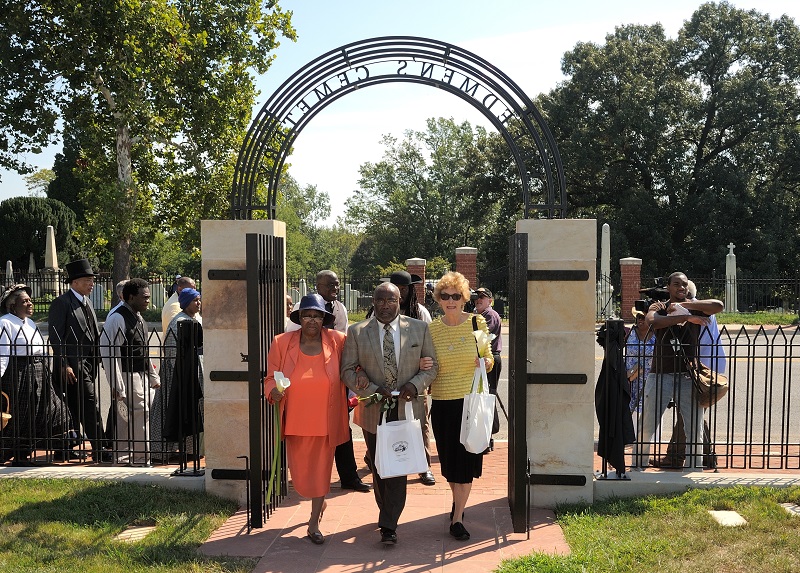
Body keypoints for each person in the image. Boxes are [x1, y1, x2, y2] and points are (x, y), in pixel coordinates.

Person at [341, 281, 438, 544]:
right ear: (373, 302)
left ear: (400, 301)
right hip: (374, 408)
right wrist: (371, 388)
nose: (385, 306)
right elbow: (347, 371)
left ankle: (388, 524)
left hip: (407, 408)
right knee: (380, 465)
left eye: (391, 301)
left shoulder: (419, 329)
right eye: (380, 300)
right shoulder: (358, 331)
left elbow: (432, 368)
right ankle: (386, 509)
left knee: (398, 464)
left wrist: (414, 385)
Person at [264, 294, 349, 545]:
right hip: (295, 420)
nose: (312, 320)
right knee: (301, 475)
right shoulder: (282, 342)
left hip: (326, 419)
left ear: (324, 319)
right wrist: (273, 391)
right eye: (307, 315)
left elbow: (353, 368)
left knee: (321, 472)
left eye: (317, 315)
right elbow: (270, 378)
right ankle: (317, 503)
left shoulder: (338, 341)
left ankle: (313, 522)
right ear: (299, 318)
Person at [287, 270, 370, 493]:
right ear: (318, 286)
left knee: (342, 428)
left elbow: (344, 342)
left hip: (335, 378)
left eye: (337, 285)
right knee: (311, 430)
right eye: (330, 286)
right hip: (309, 380)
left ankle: (349, 476)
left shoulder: (340, 309)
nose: (335, 289)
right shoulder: (301, 309)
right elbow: (292, 342)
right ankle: (308, 476)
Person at [428, 271, 494, 541]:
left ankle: (457, 519)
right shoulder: (431, 329)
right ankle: (459, 503)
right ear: (439, 299)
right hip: (443, 404)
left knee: (465, 464)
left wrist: (486, 363)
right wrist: (424, 365)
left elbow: (488, 358)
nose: (451, 300)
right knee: (449, 466)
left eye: (456, 296)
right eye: (445, 296)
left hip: (470, 404)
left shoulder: (477, 323)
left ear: (465, 298)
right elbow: (426, 362)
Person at [639, 272, 723, 469]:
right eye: (676, 284)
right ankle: (638, 465)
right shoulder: (660, 306)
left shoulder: (695, 306)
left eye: (684, 285)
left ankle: (695, 467)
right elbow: (653, 321)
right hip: (660, 374)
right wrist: (684, 318)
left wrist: (687, 307)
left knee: (694, 426)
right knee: (647, 424)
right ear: (668, 287)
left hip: (688, 376)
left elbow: (718, 305)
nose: (681, 288)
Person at [369, 270, 436, 485]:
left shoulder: (421, 314)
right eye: (397, 288)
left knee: (420, 424)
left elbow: (429, 351)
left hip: (414, 383)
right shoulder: (376, 312)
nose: (401, 292)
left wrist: (423, 379)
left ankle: (423, 465)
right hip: (383, 383)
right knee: (381, 422)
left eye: (405, 289)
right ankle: (378, 457)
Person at [0, 285, 75, 465]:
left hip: (40, 370)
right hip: (19, 372)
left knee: (56, 409)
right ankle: (19, 454)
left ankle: (61, 448)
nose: (30, 303)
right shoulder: (5, 323)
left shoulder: (30, 322)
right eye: (24, 301)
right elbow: (2, 353)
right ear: (12, 306)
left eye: (29, 300)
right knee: (22, 414)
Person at [48, 259, 111, 463]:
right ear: (74, 282)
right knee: (90, 404)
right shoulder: (62, 303)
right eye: (87, 280)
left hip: (89, 364)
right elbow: (56, 337)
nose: (91, 284)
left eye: (92, 280)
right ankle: (99, 448)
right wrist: (64, 364)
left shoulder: (87, 301)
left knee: (75, 407)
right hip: (72, 366)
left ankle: (65, 448)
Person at [101, 278, 161, 465]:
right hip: (127, 376)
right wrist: (117, 385)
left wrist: (152, 376)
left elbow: (143, 350)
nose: (147, 301)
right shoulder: (117, 318)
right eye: (144, 297)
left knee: (139, 416)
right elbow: (109, 353)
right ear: (131, 297)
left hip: (141, 376)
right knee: (127, 417)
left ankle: (138, 457)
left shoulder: (139, 318)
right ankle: (132, 458)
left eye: (148, 297)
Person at [151, 287, 203, 462]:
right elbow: (173, 352)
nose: (198, 303)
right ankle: (163, 451)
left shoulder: (192, 319)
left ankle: (189, 449)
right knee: (169, 411)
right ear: (185, 303)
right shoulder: (179, 321)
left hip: (188, 374)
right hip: (176, 376)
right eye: (195, 300)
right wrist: (180, 378)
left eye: (199, 300)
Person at [473, 287, 502, 445]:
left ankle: (489, 433)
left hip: (490, 360)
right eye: (476, 296)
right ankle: (487, 434)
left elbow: (482, 338)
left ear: (490, 301)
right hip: (483, 360)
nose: (478, 299)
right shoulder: (479, 315)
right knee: (485, 395)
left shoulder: (488, 315)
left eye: (482, 297)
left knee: (488, 396)